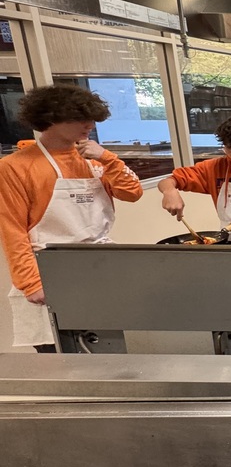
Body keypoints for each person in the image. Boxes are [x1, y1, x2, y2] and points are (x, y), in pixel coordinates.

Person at [0, 84, 143, 351]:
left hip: (99, 263)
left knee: (108, 344)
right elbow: (12, 230)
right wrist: (31, 283)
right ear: (50, 118)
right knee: (62, 352)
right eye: (79, 118)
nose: (89, 125)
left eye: (91, 119)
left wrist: (109, 159)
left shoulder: (94, 160)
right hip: (50, 268)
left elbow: (132, 193)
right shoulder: (15, 167)